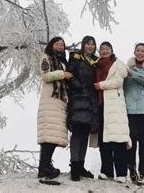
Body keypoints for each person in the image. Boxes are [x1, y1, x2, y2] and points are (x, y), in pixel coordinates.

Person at [36, 36, 73, 179]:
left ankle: (45, 165)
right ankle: (44, 166)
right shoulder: (46, 57)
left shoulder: (61, 61)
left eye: (62, 45)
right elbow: (45, 76)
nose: (60, 47)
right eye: (57, 44)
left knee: (54, 133)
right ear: (51, 45)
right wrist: (63, 74)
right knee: (48, 132)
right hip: (50, 98)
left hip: (60, 100)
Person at [93, 41, 130, 183]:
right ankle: (106, 171)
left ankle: (121, 173)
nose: (104, 51)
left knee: (118, 139)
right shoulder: (96, 65)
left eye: (107, 49)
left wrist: (100, 85)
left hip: (114, 105)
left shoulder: (118, 64)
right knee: (104, 140)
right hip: (101, 105)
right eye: (101, 49)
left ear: (111, 50)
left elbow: (117, 82)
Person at [66, 35, 99, 181]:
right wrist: (79, 87)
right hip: (78, 99)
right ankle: (74, 166)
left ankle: (81, 165)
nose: (90, 46)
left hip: (91, 101)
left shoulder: (95, 62)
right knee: (78, 131)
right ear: (83, 45)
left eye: (93, 44)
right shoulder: (76, 58)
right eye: (88, 44)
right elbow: (69, 75)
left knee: (85, 132)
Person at [124, 42, 144, 186]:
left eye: (142, 51)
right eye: (137, 50)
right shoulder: (127, 68)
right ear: (134, 52)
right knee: (131, 141)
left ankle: (143, 173)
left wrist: (133, 74)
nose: (140, 53)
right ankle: (132, 170)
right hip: (130, 109)